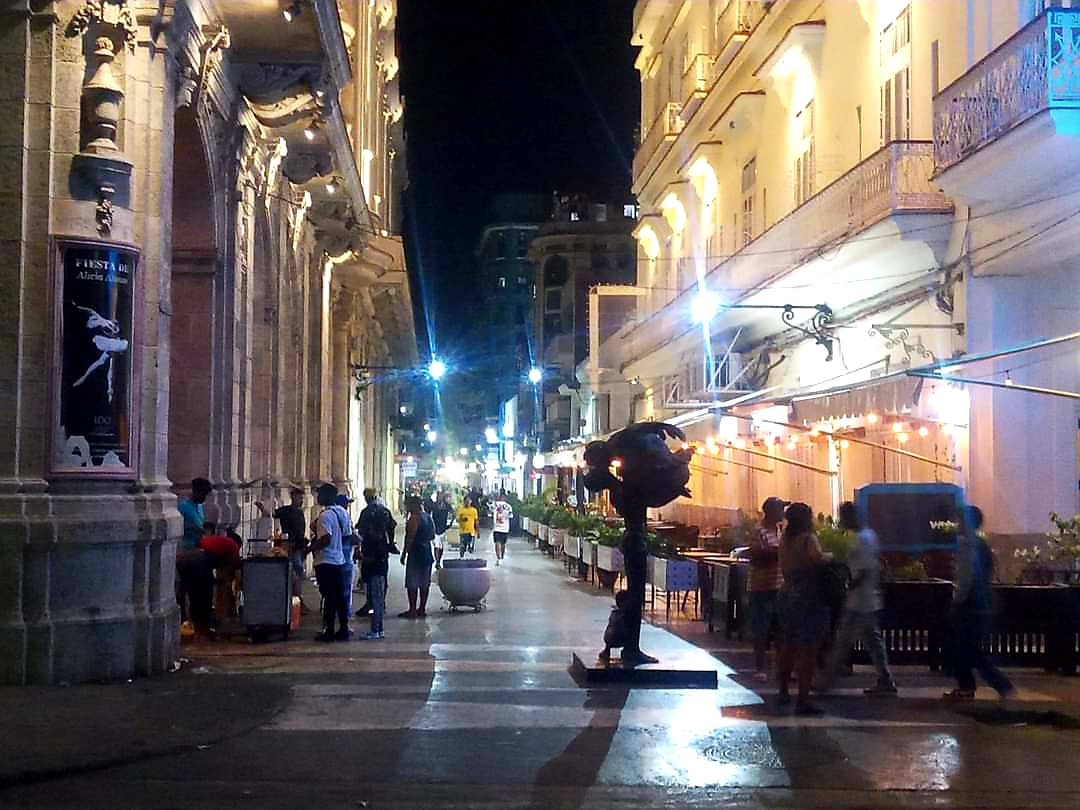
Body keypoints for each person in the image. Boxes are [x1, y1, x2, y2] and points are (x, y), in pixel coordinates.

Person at [819, 502, 897, 696]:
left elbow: (862, 570)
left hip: (859, 600)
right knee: (872, 641)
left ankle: (825, 682)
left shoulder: (861, 539)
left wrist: (849, 586)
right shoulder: (868, 536)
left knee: (843, 641)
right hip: (866, 599)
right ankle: (886, 679)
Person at [944, 505, 1014, 701]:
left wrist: (956, 601)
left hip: (969, 605)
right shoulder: (981, 545)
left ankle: (990, 685)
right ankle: (983, 685)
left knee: (964, 647)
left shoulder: (967, 546)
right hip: (981, 604)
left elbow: (966, 578)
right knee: (968, 648)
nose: (957, 524)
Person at [776, 502, 829, 716]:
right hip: (807, 597)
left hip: (786, 593)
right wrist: (832, 557)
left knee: (787, 646)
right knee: (808, 649)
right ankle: (803, 699)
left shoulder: (785, 539)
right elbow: (817, 559)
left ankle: (782, 691)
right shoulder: (808, 539)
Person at [176, 528, 241, 640]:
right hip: (199, 562)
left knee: (193, 596)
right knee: (204, 596)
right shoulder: (233, 546)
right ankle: (203, 631)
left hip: (185, 560)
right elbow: (235, 566)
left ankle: (195, 629)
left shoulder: (215, 541)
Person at [749, 497, 786, 681]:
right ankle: (760, 667)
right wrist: (780, 552)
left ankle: (781, 668)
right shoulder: (759, 531)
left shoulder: (780, 530)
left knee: (781, 629)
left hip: (779, 586)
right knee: (761, 629)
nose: (783, 513)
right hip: (761, 587)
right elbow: (756, 555)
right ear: (771, 512)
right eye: (780, 509)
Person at [255, 488, 308, 612]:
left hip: (299, 546)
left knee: (297, 573)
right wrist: (261, 508)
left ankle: (297, 600)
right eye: (299, 497)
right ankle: (294, 599)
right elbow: (271, 514)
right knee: (294, 572)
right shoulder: (286, 511)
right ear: (293, 497)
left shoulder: (300, 512)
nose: (301, 500)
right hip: (289, 546)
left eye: (302, 498)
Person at [311, 483, 351, 642]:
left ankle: (329, 631)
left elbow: (325, 538)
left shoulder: (325, 515)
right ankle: (343, 628)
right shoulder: (342, 512)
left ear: (327, 496)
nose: (317, 497)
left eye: (320, 494)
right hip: (339, 560)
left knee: (329, 597)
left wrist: (309, 549)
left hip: (326, 561)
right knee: (340, 597)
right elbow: (347, 536)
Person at [357, 488, 395, 640]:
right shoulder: (384, 512)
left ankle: (376, 630)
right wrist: (390, 543)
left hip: (373, 562)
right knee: (378, 595)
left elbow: (360, 532)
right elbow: (392, 528)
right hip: (381, 560)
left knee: (375, 597)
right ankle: (377, 628)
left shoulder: (367, 515)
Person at [400, 496, 435, 619]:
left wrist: (404, 554)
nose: (407, 508)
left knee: (412, 583)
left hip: (416, 553)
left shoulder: (414, 519)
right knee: (425, 583)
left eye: (408, 505)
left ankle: (412, 610)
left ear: (413, 505)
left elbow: (410, 538)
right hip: (427, 553)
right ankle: (422, 609)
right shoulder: (428, 517)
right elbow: (432, 535)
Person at [178, 477, 213, 550]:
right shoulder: (182, 507)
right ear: (195, 491)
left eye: (206, 495)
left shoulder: (199, 506)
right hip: (186, 548)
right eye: (202, 494)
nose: (204, 498)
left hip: (199, 546)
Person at [599, 590, 631, 664]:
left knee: (612, 631)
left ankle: (607, 650)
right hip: (620, 638)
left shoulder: (614, 613)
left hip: (608, 638)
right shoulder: (624, 615)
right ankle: (628, 650)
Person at [431, 492, 453, 570]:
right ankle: (437, 562)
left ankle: (438, 561)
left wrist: (450, 523)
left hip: (443, 529)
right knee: (437, 546)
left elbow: (453, 513)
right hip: (435, 529)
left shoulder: (447, 505)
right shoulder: (434, 505)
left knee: (441, 547)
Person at [491, 491, 513, 566]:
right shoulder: (509, 506)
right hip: (502, 528)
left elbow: (490, 510)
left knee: (501, 544)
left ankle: (500, 557)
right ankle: (499, 557)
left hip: (500, 528)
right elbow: (510, 516)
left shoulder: (495, 504)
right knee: (499, 543)